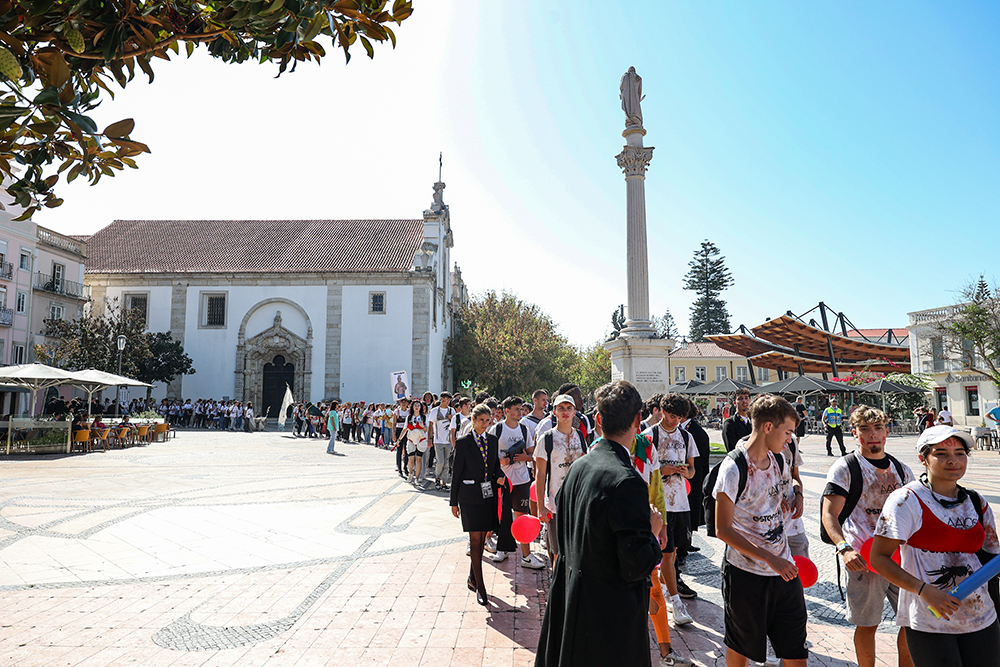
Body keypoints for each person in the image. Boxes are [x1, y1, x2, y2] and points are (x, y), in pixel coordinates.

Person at [535, 380, 664, 667]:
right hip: (607, 618)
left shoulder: (579, 466)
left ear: (597, 419)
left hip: (571, 602)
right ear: (637, 420)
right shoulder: (627, 481)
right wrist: (652, 532)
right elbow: (636, 563)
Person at [871, 425, 1000, 667]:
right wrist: (923, 590)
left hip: (981, 617)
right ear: (923, 459)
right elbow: (879, 558)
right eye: (941, 453)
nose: (953, 461)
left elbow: (992, 559)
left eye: (960, 453)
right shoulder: (906, 501)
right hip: (930, 620)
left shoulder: (975, 501)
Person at [713, 394, 808, 667]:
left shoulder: (779, 460)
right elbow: (723, 529)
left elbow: (775, 499)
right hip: (746, 575)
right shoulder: (733, 468)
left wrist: (792, 501)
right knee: (742, 649)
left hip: (784, 572)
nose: (790, 438)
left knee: (795, 651)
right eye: (787, 432)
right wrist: (770, 558)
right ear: (768, 427)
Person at [821, 405, 914, 667]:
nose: (872, 435)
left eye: (877, 428)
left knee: (910, 622)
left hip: (900, 558)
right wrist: (844, 547)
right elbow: (829, 513)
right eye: (864, 429)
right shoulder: (846, 468)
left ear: (886, 432)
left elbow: (914, 512)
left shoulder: (901, 469)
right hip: (863, 559)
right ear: (854, 433)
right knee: (867, 624)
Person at [643, 393, 699, 624]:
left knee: (671, 552)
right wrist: (661, 471)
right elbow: (642, 471)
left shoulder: (686, 437)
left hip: (679, 502)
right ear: (661, 411)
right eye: (672, 416)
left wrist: (687, 472)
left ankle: (667, 593)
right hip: (656, 504)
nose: (675, 421)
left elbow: (694, 469)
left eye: (680, 417)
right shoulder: (649, 435)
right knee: (659, 553)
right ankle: (674, 601)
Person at [450, 404, 506, 606]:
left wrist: (500, 476)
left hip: (487, 494)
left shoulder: (492, 440)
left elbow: (495, 467)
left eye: (487, 420)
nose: (485, 424)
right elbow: (456, 473)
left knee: (482, 537)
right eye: (481, 420)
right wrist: (453, 501)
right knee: (475, 538)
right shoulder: (463, 443)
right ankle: (481, 587)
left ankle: (472, 578)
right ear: (473, 420)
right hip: (468, 496)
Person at [491, 396, 546, 570]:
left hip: (522, 479)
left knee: (521, 516)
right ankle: (502, 549)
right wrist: (501, 461)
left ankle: (527, 556)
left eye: (521, 409)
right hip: (503, 479)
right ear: (506, 411)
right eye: (515, 409)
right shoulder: (497, 429)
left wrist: (525, 458)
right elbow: (489, 455)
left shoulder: (524, 429)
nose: (519, 412)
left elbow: (533, 453)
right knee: (503, 515)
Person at [533, 394, 587, 563]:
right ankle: (558, 588)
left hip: (579, 505)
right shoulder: (547, 439)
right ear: (554, 412)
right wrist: (541, 507)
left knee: (578, 553)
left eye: (569, 408)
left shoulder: (580, 437)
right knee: (557, 554)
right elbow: (540, 474)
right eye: (561, 408)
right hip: (555, 506)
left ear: (574, 412)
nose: (565, 412)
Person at [428, 392, 458, 491]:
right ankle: (437, 478)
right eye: (446, 399)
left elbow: (455, 425)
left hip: (448, 441)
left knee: (446, 463)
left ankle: (444, 482)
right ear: (441, 399)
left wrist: (451, 419)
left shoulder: (452, 410)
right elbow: (431, 425)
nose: (448, 402)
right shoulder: (435, 411)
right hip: (438, 440)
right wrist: (429, 439)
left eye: (449, 400)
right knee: (440, 462)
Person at [404, 401, 429, 487]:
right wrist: (399, 440)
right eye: (415, 405)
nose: (417, 407)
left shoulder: (424, 417)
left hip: (421, 440)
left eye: (419, 405)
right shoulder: (409, 417)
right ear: (412, 407)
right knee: (410, 460)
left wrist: (423, 426)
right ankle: (411, 474)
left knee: (419, 460)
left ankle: (417, 478)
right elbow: (405, 429)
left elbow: (428, 430)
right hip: (411, 439)